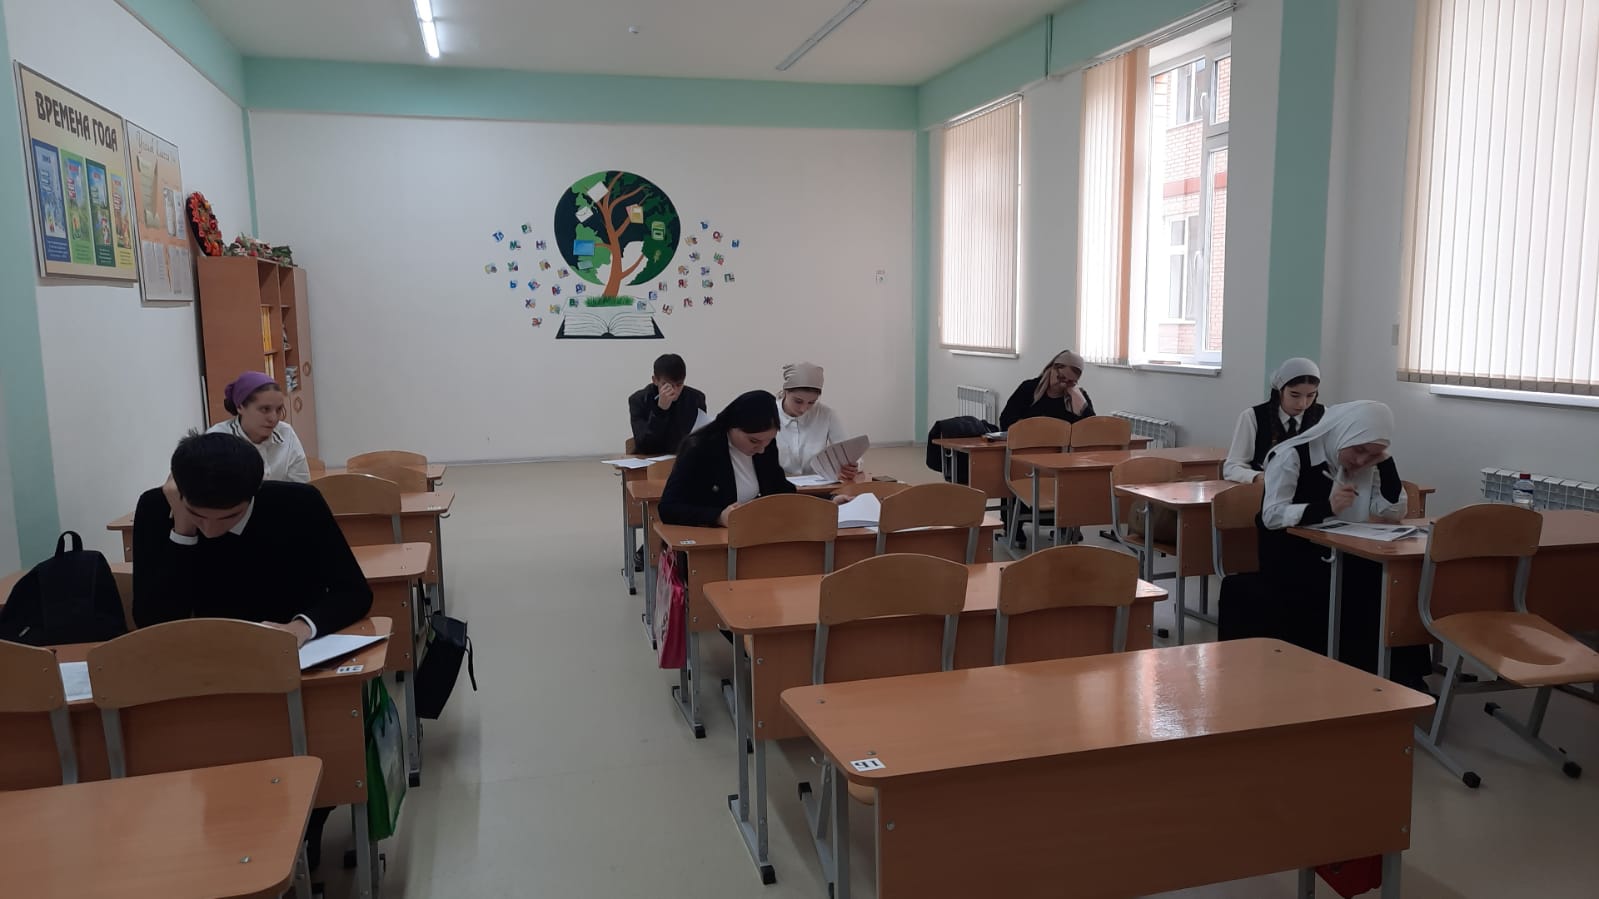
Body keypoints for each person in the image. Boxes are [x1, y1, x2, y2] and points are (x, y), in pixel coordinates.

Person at [1223, 400, 1428, 687]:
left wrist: (1385, 463)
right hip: (1292, 554)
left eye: (1372, 455)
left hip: (1342, 549)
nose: (1361, 461)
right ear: (1343, 433)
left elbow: (1392, 511)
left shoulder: (1367, 463)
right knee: (1360, 589)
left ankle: (1395, 677)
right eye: (1359, 450)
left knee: (1393, 586)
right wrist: (1326, 508)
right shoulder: (1291, 455)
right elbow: (1272, 515)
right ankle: (1345, 676)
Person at [132, 431, 373, 643]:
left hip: (290, 650)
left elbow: (354, 593)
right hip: (201, 656)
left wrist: (300, 628)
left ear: (255, 492)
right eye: (197, 515)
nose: (211, 530)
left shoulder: (299, 504)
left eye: (230, 517)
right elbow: (152, 621)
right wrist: (183, 532)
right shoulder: (156, 509)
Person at [659, 390, 797, 527]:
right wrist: (718, 517)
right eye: (753, 441)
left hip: (755, 530)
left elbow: (779, 487)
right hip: (711, 535)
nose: (761, 450)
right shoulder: (700, 448)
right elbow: (668, 508)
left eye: (769, 440)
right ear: (732, 426)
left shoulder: (765, 445)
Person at [1223, 357, 1326, 483]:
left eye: (1311, 395)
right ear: (1280, 390)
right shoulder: (1252, 417)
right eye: (1294, 395)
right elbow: (1232, 468)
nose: (1302, 404)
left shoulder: (1325, 415)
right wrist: (1258, 477)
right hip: (1264, 491)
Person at [207, 371, 310, 483]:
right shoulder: (217, 440)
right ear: (240, 407)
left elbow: (301, 486)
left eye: (279, 409)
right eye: (265, 409)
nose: (274, 418)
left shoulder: (286, 433)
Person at [774, 362, 859, 481]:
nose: (803, 409)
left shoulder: (826, 415)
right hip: (776, 486)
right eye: (798, 401)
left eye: (811, 402)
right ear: (786, 392)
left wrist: (851, 466)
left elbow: (849, 452)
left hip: (818, 485)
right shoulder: (769, 414)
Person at [628, 353, 708, 455]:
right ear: (655, 380)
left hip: (683, 458)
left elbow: (700, 439)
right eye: (666, 385)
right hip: (650, 459)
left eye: (679, 385)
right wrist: (660, 410)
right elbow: (644, 447)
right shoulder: (639, 400)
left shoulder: (695, 398)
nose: (674, 390)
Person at [999, 350, 1097, 429]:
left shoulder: (1077, 396)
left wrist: (1081, 405)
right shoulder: (1029, 388)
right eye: (1061, 378)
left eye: (1070, 382)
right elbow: (1005, 420)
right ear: (1052, 368)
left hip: (1062, 447)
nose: (1063, 384)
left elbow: (1093, 429)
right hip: (1028, 443)